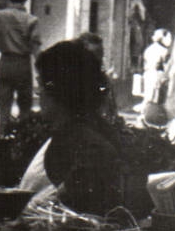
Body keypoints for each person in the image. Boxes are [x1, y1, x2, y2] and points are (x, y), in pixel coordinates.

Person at [19, 40, 126, 214]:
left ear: (58, 92)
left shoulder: (83, 141)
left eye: (41, 86)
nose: (38, 95)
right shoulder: (73, 132)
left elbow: (65, 205)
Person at [0, 0, 40, 130]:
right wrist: (42, 68)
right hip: (22, 64)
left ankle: (2, 139)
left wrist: (4, 47)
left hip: (5, 62)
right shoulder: (32, 20)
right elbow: (35, 46)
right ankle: (23, 140)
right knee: (25, 107)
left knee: (3, 108)